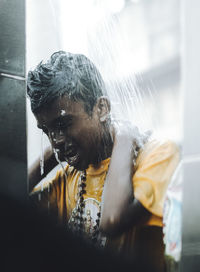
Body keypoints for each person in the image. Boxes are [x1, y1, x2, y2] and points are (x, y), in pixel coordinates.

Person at [27, 51, 179, 272]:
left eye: (63, 123)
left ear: (101, 109)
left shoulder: (158, 155)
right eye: (47, 131)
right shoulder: (71, 175)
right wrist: (53, 153)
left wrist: (125, 138)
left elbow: (112, 220)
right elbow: (12, 205)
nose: (55, 140)